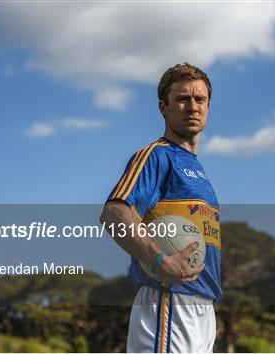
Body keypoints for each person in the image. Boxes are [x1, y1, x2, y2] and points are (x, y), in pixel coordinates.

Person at [100, 63, 221, 353]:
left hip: (203, 307)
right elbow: (114, 212)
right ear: (163, 107)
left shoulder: (197, 169)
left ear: (208, 106)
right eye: (182, 99)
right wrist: (159, 262)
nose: (192, 106)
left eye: (199, 99)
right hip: (169, 300)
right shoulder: (156, 156)